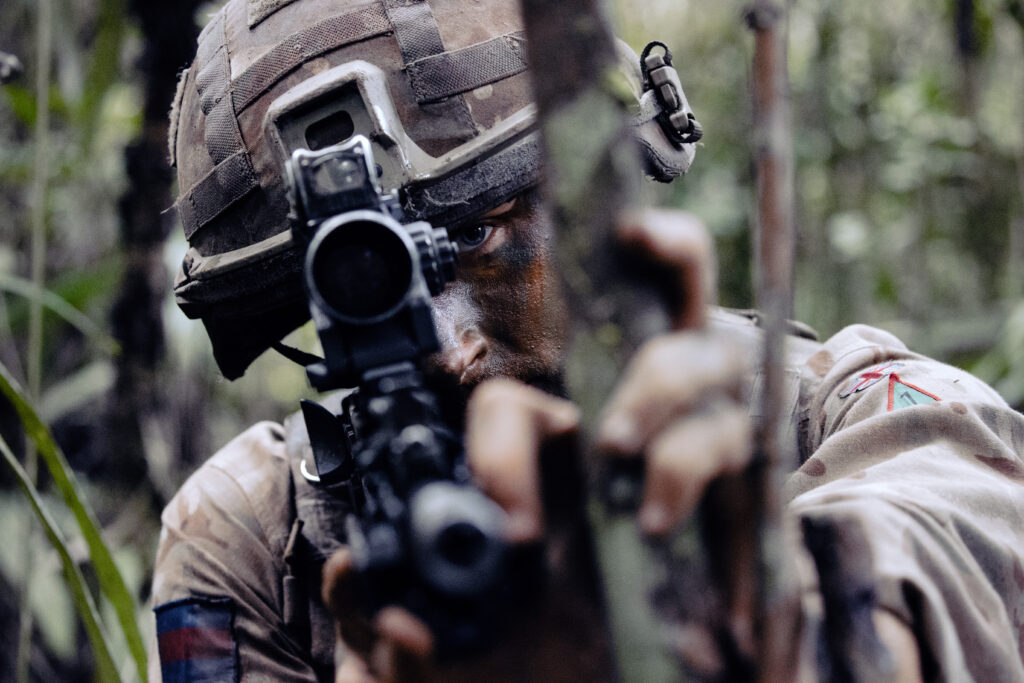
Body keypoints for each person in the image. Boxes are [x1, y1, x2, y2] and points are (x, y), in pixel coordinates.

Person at [151, 0, 1024, 681]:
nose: (449, 349)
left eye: (480, 238)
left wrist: (776, 617)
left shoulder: (828, 405)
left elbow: (964, 518)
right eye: (356, 288)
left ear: (592, 195)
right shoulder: (258, 539)